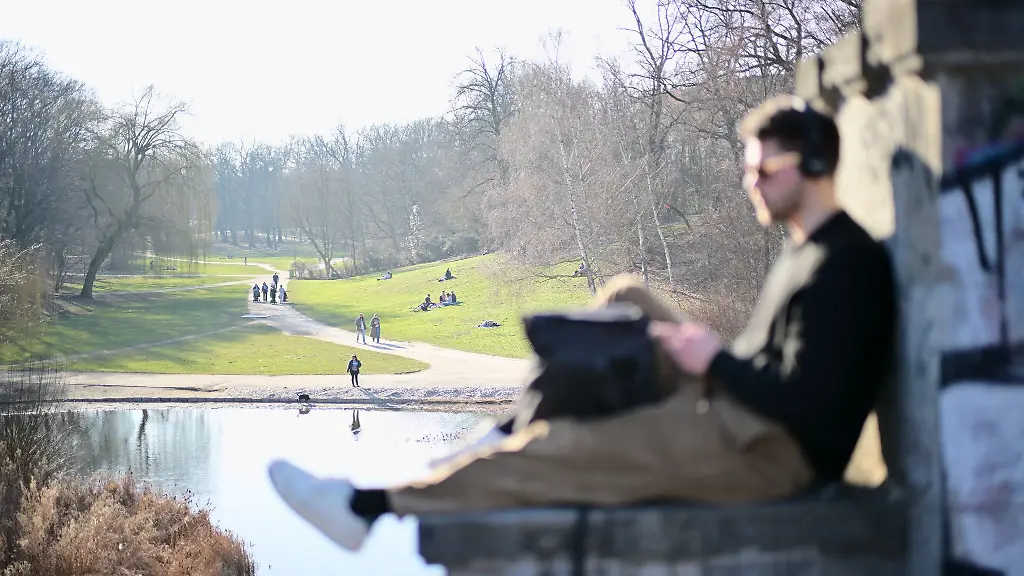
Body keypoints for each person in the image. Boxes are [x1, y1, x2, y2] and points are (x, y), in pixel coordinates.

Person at [266, 95, 897, 553]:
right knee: (626, 297)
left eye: (765, 170)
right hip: (743, 411)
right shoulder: (807, 247)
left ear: (816, 165)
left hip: (773, 455)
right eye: (748, 169)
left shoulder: (846, 267)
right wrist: (698, 355)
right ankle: (507, 426)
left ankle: (366, 507)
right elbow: (775, 363)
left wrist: (713, 361)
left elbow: (810, 407)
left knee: (565, 449)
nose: (751, 184)